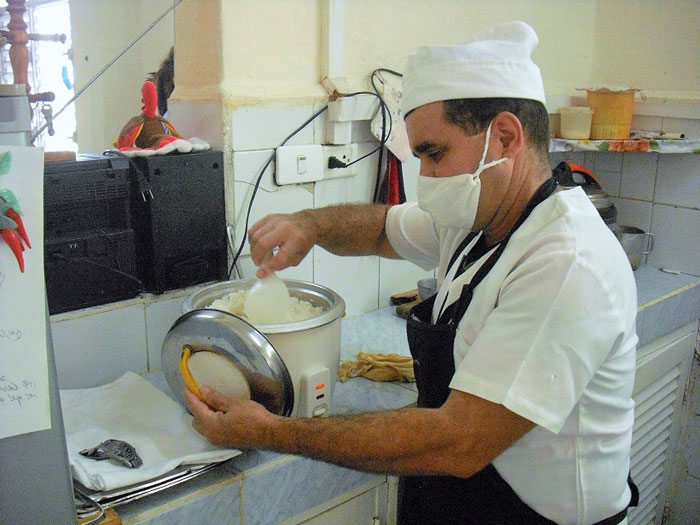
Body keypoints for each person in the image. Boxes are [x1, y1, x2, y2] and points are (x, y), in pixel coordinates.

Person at [185, 21, 639, 524]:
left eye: (434, 153)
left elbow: (459, 441)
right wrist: (307, 224)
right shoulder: (479, 216)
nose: (425, 176)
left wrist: (267, 431)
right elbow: (380, 229)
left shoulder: (564, 263)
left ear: (505, 137)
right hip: (455, 495)